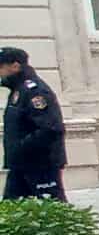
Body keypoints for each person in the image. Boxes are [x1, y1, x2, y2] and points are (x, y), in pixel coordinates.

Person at [1, 47, 66, 202]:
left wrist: (22, 147)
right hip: (20, 164)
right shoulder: (18, 90)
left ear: (15, 66)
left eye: (1, 66)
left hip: (40, 164)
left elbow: (50, 128)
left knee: (51, 207)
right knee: (12, 209)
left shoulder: (34, 91)